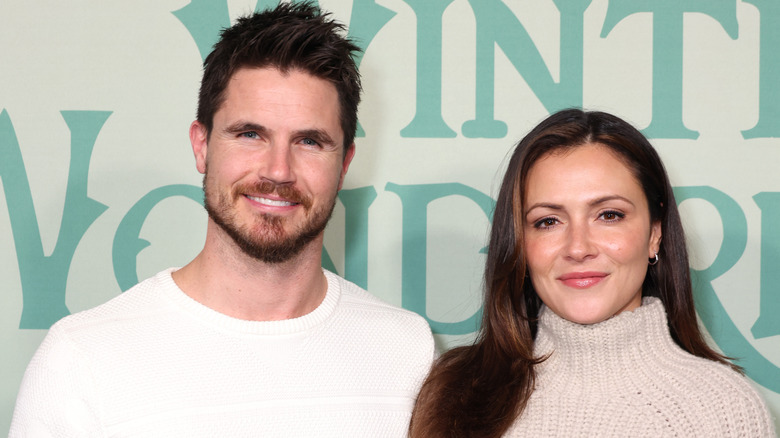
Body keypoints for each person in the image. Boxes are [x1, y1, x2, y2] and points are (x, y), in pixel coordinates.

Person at [10, 3, 434, 436]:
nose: (278, 171)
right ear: (202, 145)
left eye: (309, 141)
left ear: (344, 164)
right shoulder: (82, 360)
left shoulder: (407, 353)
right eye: (250, 134)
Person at [409, 109, 775, 437]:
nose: (578, 247)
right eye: (548, 221)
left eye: (609, 215)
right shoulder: (456, 392)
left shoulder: (721, 408)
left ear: (655, 233)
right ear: (520, 244)